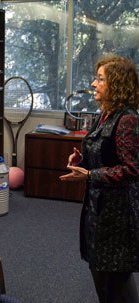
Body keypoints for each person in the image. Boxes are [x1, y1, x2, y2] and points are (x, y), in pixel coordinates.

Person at [60, 54, 139, 303]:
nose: (94, 84)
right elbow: (107, 156)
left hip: (118, 214)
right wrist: (82, 161)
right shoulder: (104, 114)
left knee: (115, 281)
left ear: (116, 85)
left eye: (100, 79)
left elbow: (133, 169)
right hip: (98, 208)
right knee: (101, 275)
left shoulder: (127, 120)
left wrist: (91, 174)